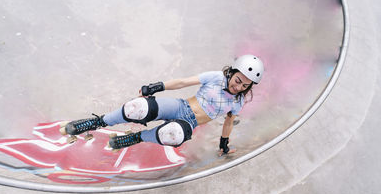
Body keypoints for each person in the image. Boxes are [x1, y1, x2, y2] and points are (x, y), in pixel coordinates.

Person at [61, 54, 264, 156]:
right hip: (180, 106)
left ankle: (135, 138)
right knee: (137, 108)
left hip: (189, 123)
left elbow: (229, 122)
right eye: (238, 81)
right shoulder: (215, 77)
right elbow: (184, 82)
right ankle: (96, 122)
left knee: (173, 135)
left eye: (245, 86)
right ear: (232, 72)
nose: (239, 87)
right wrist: (156, 87)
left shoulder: (238, 101)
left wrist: (224, 144)